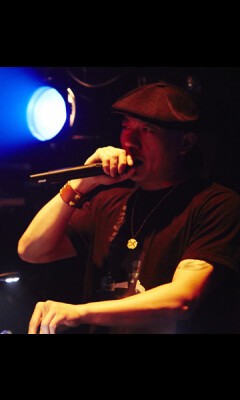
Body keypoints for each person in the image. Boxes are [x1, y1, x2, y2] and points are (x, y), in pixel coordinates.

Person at [17, 81, 240, 334]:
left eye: (147, 130)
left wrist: (80, 312)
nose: (130, 141)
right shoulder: (109, 203)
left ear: (185, 143)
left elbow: (182, 299)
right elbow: (31, 250)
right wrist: (82, 182)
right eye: (126, 127)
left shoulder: (216, 205)